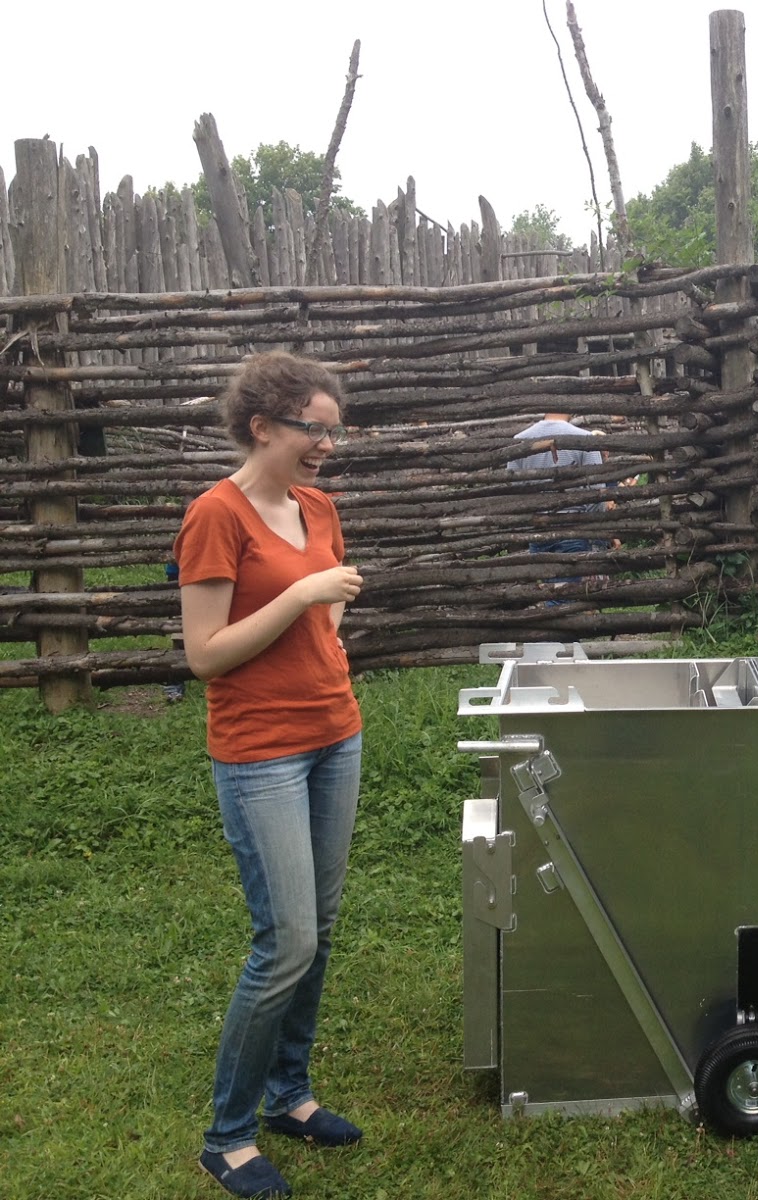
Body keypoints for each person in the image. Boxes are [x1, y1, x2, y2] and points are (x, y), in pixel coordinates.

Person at [175, 351, 366, 1200]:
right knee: (282, 942)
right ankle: (227, 1136)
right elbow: (205, 657)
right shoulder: (215, 516)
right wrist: (299, 598)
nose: (326, 444)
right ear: (261, 426)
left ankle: (291, 1095)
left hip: (335, 735)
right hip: (261, 752)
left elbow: (325, 613)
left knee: (317, 930)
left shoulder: (318, 506)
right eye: (311, 429)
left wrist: (324, 630)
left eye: (334, 430)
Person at [509, 411, 610, 580]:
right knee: (564, 595)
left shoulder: (519, 440)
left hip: (537, 529)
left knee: (550, 590)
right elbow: (596, 493)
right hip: (574, 529)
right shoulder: (585, 440)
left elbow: (515, 490)